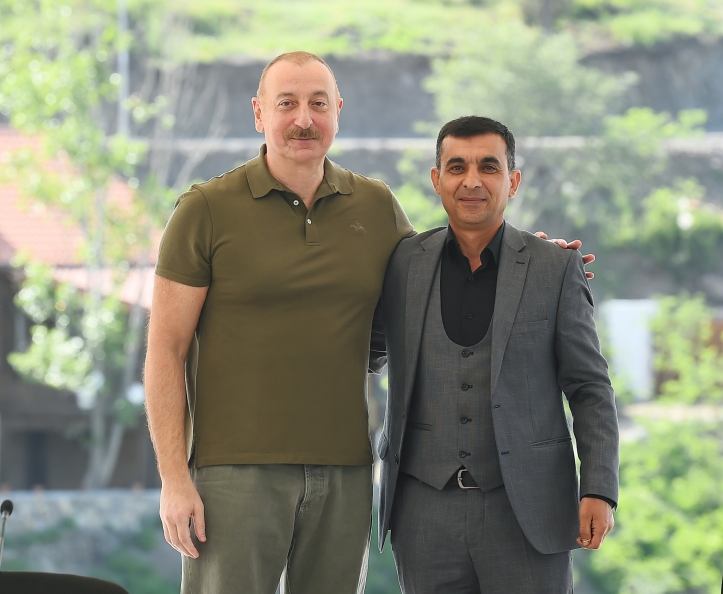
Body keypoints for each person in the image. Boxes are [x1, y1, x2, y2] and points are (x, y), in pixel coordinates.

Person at [144, 52, 594, 594]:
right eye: (287, 104)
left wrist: (531, 257)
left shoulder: (376, 206)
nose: (304, 119)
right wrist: (174, 478)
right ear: (259, 113)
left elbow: (443, 272)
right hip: (234, 472)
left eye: (318, 104)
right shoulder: (205, 209)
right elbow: (165, 350)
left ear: (338, 111)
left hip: (347, 471)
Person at [376, 116, 619, 594]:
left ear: (513, 180)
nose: (472, 181)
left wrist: (598, 487)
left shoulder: (555, 267)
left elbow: (590, 388)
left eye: (489, 167)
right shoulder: (401, 264)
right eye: (457, 167)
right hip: (423, 514)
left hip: (529, 509)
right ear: (436, 179)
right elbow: (363, 347)